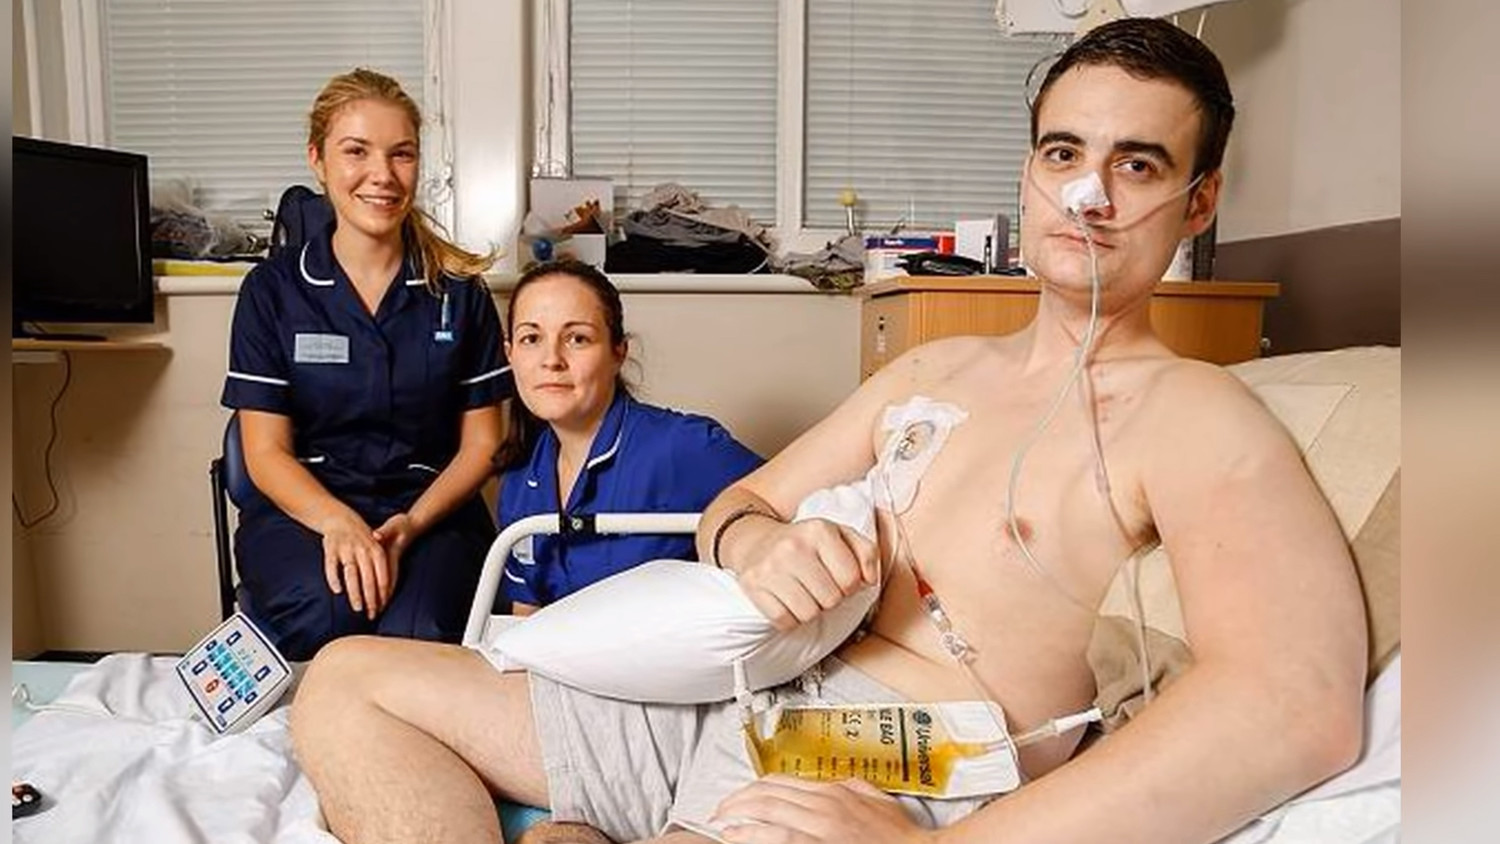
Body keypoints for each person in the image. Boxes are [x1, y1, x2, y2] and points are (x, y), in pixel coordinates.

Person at [290, 19, 1368, 844]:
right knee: (347, 681)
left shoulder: (1192, 416)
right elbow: (738, 505)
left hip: (896, 755)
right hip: (744, 685)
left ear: (1199, 201)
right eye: (1063, 152)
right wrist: (763, 543)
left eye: (1136, 164)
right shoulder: (937, 369)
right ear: (1028, 171)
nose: (1088, 194)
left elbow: (1293, 704)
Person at [221, 68, 511, 662]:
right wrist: (337, 522)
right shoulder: (272, 291)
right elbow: (264, 452)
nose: (382, 174)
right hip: (305, 508)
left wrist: (412, 523)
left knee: (423, 634)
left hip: (431, 510)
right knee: (326, 614)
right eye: (356, 151)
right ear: (318, 160)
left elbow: (484, 444)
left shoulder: (458, 292)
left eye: (401, 154)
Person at [494, 259, 763, 613]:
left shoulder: (681, 447)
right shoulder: (520, 481)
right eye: (531, 339)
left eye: (577, 339)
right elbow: (525, 619)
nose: (552, 360)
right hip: (558, 649)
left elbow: (805, 505)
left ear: (618, 352)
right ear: (510, 354)